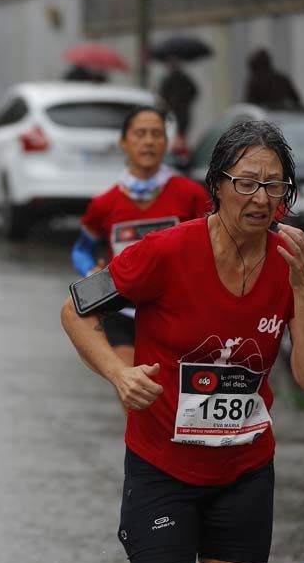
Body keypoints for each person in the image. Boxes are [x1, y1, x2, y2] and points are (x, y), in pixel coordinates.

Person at [61, 120, 304, 563]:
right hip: (162, 466)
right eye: (247, 183)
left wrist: (303, 287)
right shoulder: (163, 251)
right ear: (217, 184)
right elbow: (75, 310)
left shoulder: (293, 262)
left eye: (275, 185)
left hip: (245, 470)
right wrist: (118, 372)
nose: (261, 199)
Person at [72, 106, 208, 367]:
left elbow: (214, 244)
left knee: (169, 399)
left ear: (166, 142)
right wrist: (91, 272)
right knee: (132, 391)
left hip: (175, 311)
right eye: (140, 134)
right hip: (122, 311)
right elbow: (80, 250)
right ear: (123, 142)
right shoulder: (104, 203)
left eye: (157, 134)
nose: (148, 141)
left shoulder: (190, 195)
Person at [157, 57, 198, 155]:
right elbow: (162, 94)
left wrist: (183, 100)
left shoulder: (184, 79)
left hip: (182, 112)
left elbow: (194, 91)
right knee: (171, 134)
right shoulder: (167, 79)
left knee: (181, 135)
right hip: (172, 113)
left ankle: (180, 152)